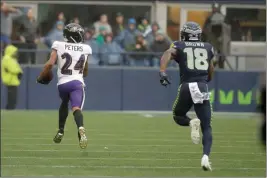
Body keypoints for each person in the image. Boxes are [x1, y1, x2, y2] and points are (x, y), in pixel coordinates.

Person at [159, 22, 214, 171]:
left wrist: (163, 72)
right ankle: (205, 157)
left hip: (186, 87)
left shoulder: (179, 45)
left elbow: (167, 53)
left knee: (178, 115)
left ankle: (191, 123)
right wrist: (204, 79)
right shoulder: (208, 47)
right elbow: (210, 69)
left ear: (184, 34)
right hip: (201, 86)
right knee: (207, 126)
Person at [36, 23, 92, 149]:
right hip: (77, 82)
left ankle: (61, 130)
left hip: (62, 84)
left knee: (64, 102)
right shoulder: (86, 48)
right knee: (76, 108)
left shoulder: (58, 44)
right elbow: (86, 72)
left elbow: (50, 64)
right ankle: (81, 129)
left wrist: (41, 76)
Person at [1, 45, 23, 110]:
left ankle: (10, 108)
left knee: (13, 97)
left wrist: (19, 71)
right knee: (12, 97)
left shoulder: (12, 59)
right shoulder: (7, 58)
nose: (15, 53)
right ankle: (10, 108)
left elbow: (17, 68)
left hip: (13, 80)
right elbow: (13, 68)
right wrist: (19, 72)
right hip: (10, 80)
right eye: (14, 52)